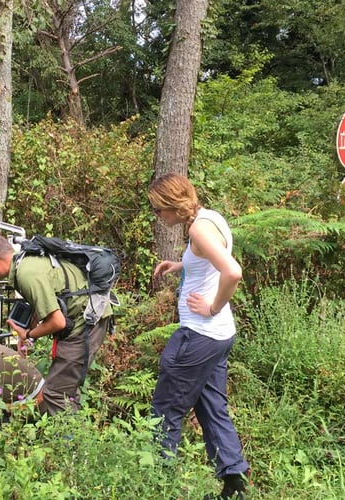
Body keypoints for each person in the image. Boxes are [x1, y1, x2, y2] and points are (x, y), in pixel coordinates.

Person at [148, 173, 250, 499]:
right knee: (211, 408)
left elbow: (232, 272)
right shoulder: (209, 218)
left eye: (159, 210)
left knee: (164, 411)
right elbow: (208, 260)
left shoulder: (197, 228)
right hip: (218, 339)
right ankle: (235, 485)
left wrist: (213, 306)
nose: (158, 217)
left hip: (199, 335)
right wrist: (180, 266)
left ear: (175, 208)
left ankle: (157, 486)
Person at [0, 234, 113, 415]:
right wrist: (27, 333)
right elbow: (43, 304)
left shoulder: (27, 273)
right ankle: (73, 426)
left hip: (85, 324)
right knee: (65, 387)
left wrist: (29, 335)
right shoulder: (26, 261)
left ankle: (68, 440)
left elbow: (57, 321)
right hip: (83, 320)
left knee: (55, 394)